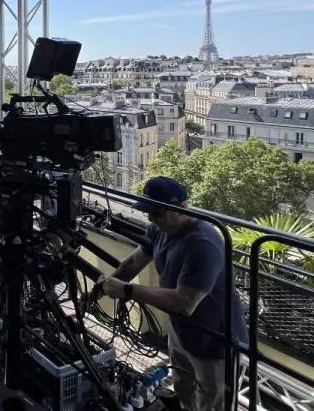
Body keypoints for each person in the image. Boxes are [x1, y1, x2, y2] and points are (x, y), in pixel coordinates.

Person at [91, 176, 248, 411]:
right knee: (184, 392)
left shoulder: (203, 243)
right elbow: (134, 262)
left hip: (215, 343)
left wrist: (127, 290)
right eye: (148, 212)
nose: (151, 218)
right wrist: (96, 293)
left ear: (182, 209)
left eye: (157, 212)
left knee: (213, 406)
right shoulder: (159, 229)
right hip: (182, 332)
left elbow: (185, 302)